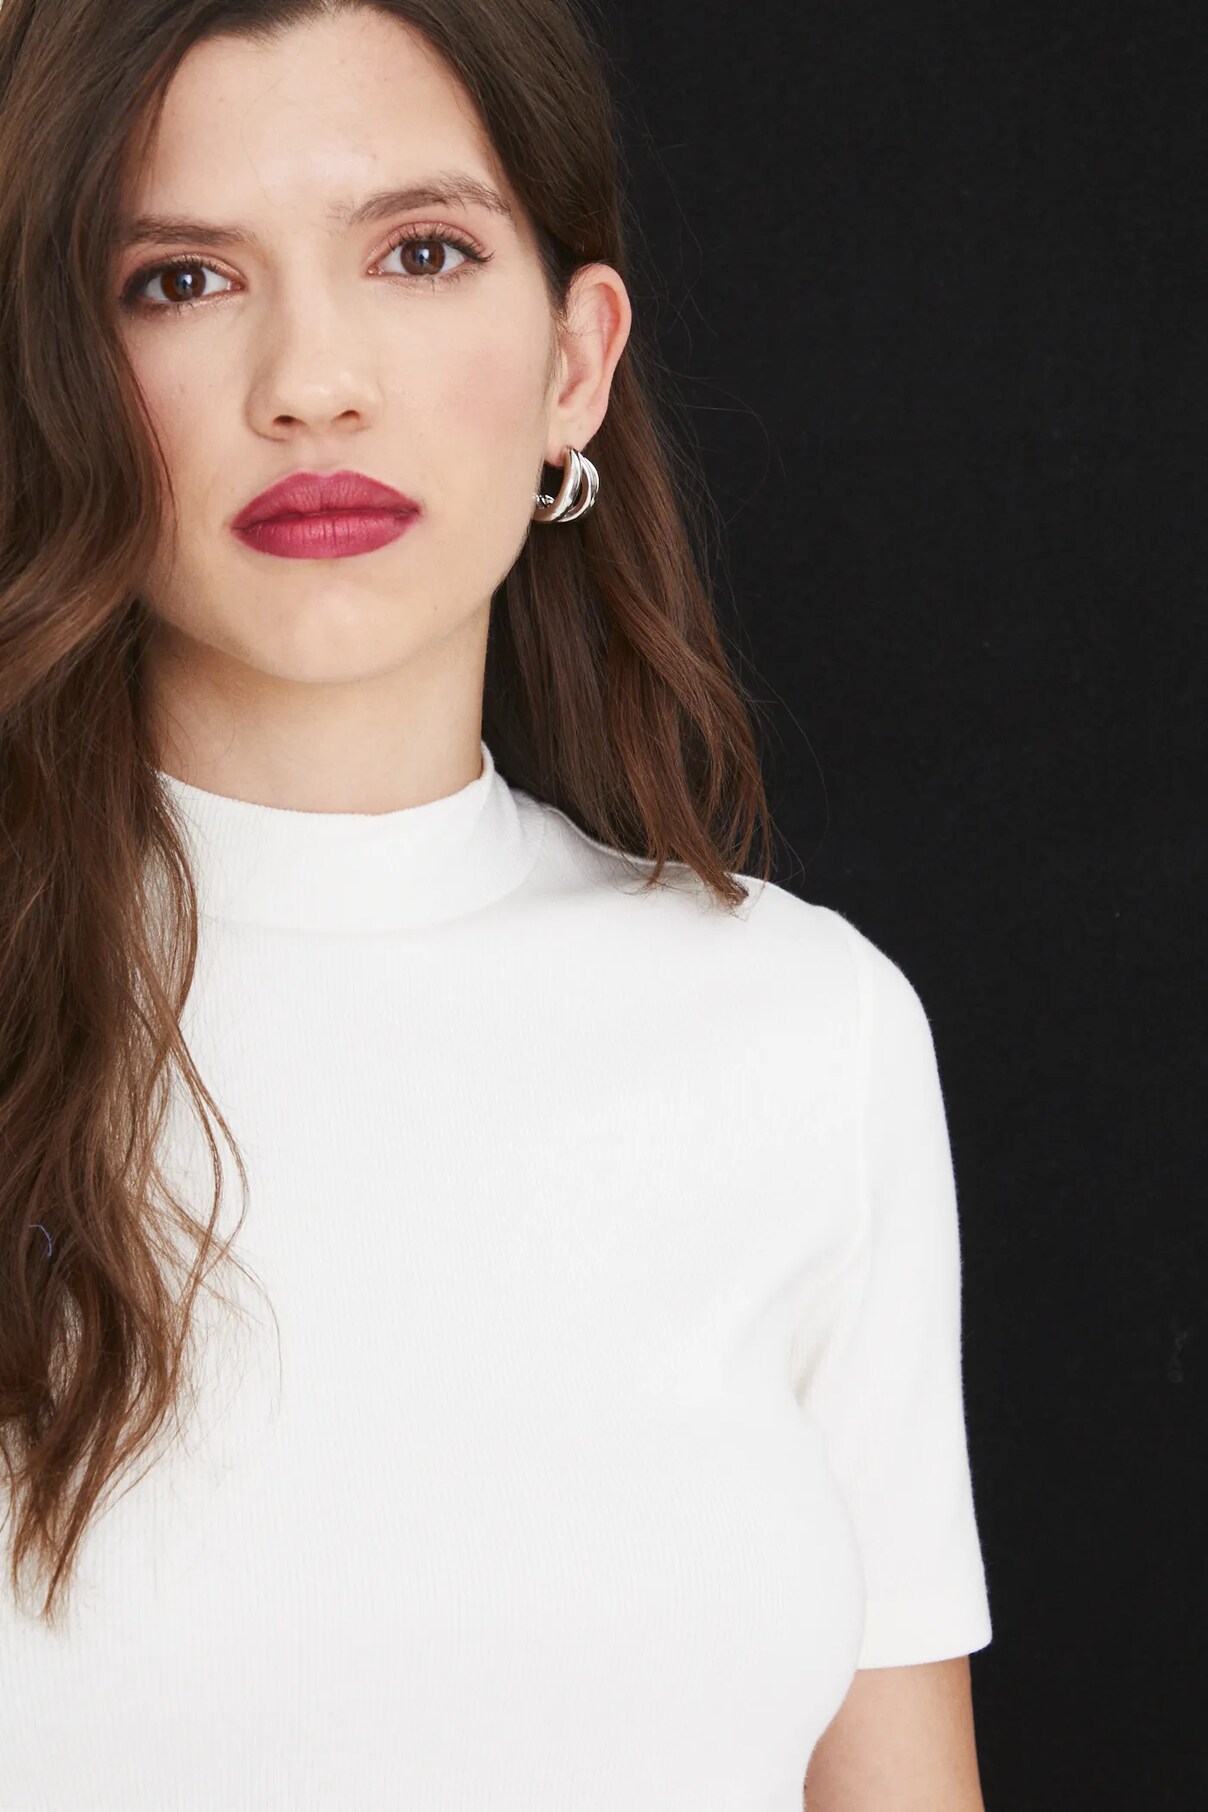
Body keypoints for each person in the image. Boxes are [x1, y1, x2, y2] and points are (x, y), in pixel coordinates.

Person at [0, 1, 992, 1806]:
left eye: (421, 253)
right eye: (179, 281)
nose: (313, 381)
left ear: (574, 362)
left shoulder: (807, 1035)